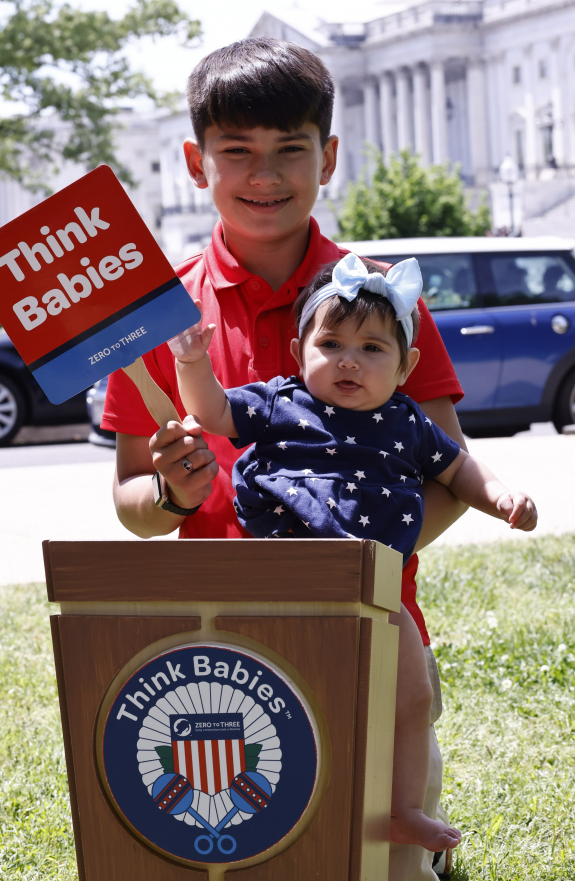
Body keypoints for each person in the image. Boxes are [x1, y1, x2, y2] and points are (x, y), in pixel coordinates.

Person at [102, 37, 475, 878]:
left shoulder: (383, 297)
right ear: (199, 163)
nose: (263, 173)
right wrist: (168, 494)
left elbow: (447, 469)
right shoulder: (160, 314)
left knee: (378, 856)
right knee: (254, 854)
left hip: (372, 635)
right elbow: (128, 503)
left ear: (329, 156)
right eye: (237, 150)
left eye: (289, 149)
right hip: (223, 646)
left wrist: (363, 570)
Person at [166, 251, 537, 852]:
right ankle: (278, 822)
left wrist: (503, 498)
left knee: (410, 700)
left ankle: (404, 808)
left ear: (406, 364)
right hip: (285, 584)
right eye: (331, 343)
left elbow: (460, 468)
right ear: (298, 355)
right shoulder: (280, 403)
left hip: (374, 586)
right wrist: (192, 361)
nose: (348, 360)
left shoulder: (406, 421)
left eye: (372, 348)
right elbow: (211, 411)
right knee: (290, 710)